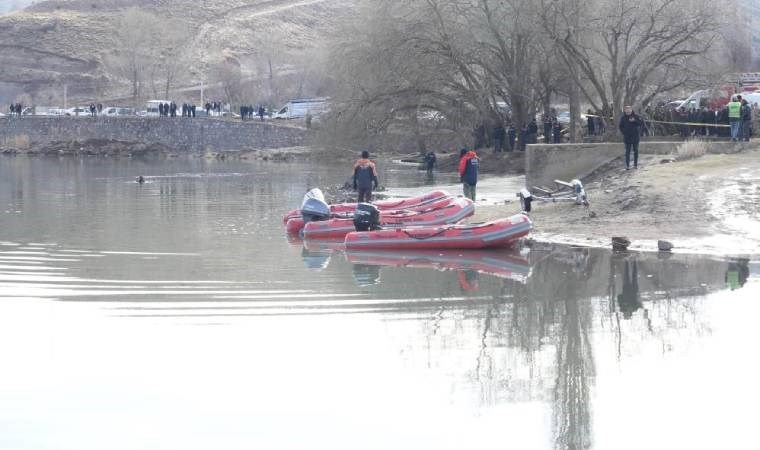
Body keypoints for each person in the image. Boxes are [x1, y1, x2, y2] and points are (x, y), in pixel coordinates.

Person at [619, 106, 643, 170]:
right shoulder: (623, 118)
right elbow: (620, 126)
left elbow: (641, 123)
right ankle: (627, 166)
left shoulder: (636, 116)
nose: (628, 112)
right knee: (627, 152)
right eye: (627, 111)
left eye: (629, 111)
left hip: (635, 137)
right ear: (625, 111)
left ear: (631, 110)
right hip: (627, 137)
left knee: (636, 151)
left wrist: (634, 121)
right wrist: (624, 132)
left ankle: (635, 165)